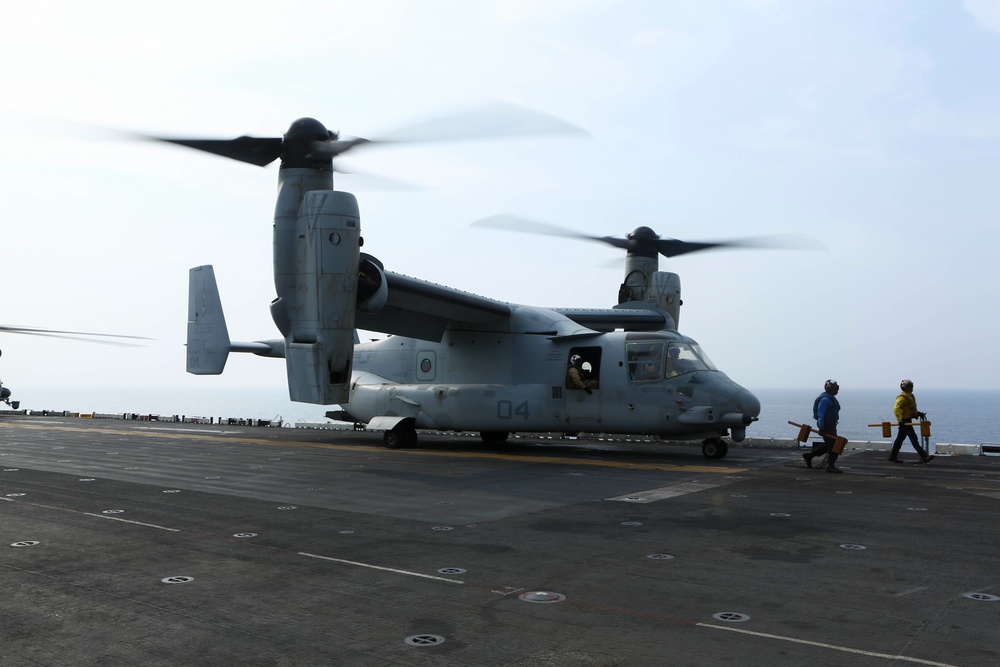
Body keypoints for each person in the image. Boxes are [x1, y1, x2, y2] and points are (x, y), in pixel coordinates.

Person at [888, 379, 934, 464]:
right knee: (913, 438)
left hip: (907, 420)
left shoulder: (910, 396)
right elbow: (896, 408)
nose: (912, 388)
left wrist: (918, 414)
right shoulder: (902, 397)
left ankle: (893, 456)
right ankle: (924, 456)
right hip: (904, 421)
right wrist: (900, 420)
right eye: (910, 386)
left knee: (899, 439)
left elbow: (910, 409)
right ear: (906, 387)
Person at [804, 379, 843, 473]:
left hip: (830, 425)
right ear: (830, 388)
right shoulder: (825, 400)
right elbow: (821, 414)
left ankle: (809, 456)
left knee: (829, 444)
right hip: (826, 425)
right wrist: (822, 427)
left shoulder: (830, 398)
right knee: (834, 445)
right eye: (836, 388)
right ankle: (831, 466)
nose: (837, 390)